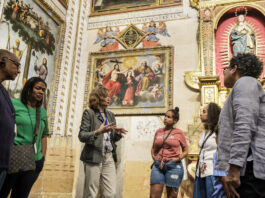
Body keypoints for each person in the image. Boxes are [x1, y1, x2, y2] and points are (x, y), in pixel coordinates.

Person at [215, 53, 265, 198]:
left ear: (234, 69)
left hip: (249, 170)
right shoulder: (245, 85)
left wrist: (234, 167)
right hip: (246, 168)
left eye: (226, 68)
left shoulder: (246, 82)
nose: (223, 72)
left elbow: (244, 125)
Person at [0, 77, 49, 198]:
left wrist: (42, 157)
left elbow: (44, 135)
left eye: (43, 90)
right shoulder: (13, 104)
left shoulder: (42, 112)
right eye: (38, 88)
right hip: (12, 157)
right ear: (28, 88)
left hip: (34, 162)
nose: (41, 92)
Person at [78, 86, 128, 198]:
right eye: (106, 96)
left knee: (111, 193)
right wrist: (97, 132)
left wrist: (118, 134)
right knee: (91, 193)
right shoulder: (89, 113)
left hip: (108, 156)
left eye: (109, 96)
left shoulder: (110, 115)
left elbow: (112, 137)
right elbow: (82, 136)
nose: (109, 98)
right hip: (93, 156)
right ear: (98, 97)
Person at [150, 107, 188, 198]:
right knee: (153, 196)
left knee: (171, 196)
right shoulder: (158, 131)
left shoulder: (179, 133)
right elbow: (153, 148)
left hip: (173, 166)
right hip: (158, 166)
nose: (165, 118)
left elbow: (186, 151)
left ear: (175, 120)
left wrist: (178, 158)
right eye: (165, 116)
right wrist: (154, 157)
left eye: (169, 117)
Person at [0, 49, 20, 191]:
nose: (18, 70)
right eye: (16, 65)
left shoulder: (3, 91)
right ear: (2, 61)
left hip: (2, 161)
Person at [193, 102, 221, 198]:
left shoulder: (218, 131)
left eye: (204, 112)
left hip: (212, 171)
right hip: (200, 171)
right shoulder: (204, 131)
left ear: (212, 114)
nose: (201, 114)